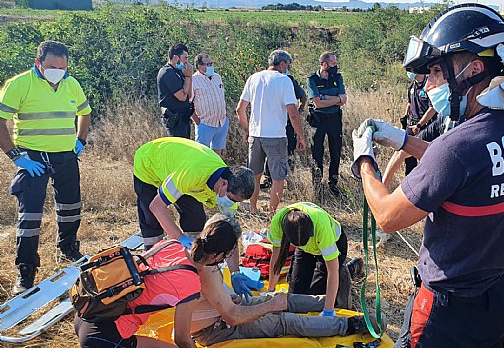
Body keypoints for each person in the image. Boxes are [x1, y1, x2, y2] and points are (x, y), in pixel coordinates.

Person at [351, 4, 504, 348]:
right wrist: (404, 140)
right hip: (499, 295)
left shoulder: (457, 147)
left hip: (448, 309)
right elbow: (469, 173)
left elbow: (386, 215)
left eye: (434, 71)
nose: (428, 84)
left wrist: (364, 160)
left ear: (473, 69)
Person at [74, 215, 385, 348]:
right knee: (282, 321)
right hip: (214, 327)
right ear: (217, 254)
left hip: (91, 314)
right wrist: (271, 303)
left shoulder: (174, 247)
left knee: (274, 302)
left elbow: (228, 303)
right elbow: (189, 337)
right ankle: (348, 325)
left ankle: (330, 308)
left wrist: (260, 299)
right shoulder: (190, 280)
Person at [0, 40, 92, 295]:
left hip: (65, 155)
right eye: (52, 67)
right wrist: (16, 156)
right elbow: (1, 120)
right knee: (29, 215)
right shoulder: (19, 85)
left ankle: (69, 249)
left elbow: (85, 112)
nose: (58, 72)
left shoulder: (71, 84)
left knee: (70, 207)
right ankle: (26, 269)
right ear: (38, 63)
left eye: (63, 68)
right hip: (33, 158)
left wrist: (80, 140)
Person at [133, 137, 253, 249]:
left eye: (236, 201)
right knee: (151, 220)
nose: (231, 203)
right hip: (149, 162)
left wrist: (234, 271)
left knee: (195, 219)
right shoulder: (192, 173)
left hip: (180, 171)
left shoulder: (229, 188)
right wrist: (180, 238)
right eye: (231, 198)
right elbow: (157, 206)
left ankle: (191, 254)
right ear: (223, 184)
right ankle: (153, 256)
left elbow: (230, 232)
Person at [236, 50, 307, 215]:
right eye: (287, 65)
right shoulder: (284, 81)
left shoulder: (253, 78)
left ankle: (253, 208)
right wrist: (300, 137)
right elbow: (293, 113)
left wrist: (247, 130)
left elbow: (240, 109)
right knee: (278, 177)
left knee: (255, 174)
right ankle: (272, 213)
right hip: (276, 136)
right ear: (282, 64)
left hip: (256, 135)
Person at [267, 202, 352, 313]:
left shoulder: (321, 227)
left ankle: (350, 269)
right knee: (296, 295)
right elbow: (276, 258)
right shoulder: (278, 222)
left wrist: (328, 310)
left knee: (314, 297)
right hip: (306, 251)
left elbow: (332, 271)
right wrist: (270, 290)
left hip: (334, 245)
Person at [307, 52, 347, 195]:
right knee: (316, 152)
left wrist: (325, 97)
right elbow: (317, 103)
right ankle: (317, 186)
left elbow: (344, 99)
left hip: (334, 118)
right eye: (333, 64)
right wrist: (336, 99)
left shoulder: (338, 77)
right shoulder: (312, 78)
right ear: (324, 64)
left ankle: (333, 184)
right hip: (318, 120)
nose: (335, 66)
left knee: (335, 151)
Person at [262, 73, 307, 188]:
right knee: (270, 151)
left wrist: (300, 110)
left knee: (289, 150)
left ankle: (290, 179)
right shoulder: (266, 79)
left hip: (288, 123)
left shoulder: (289, 80)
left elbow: (303, 96)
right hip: (272, 122)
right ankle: (268, 179)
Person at [190, 53, 228, 155]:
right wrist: (197, 121)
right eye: (207, 64)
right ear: (199, 66)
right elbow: (188, 103)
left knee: (217, 154)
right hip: (206, 123)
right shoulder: (193, 80)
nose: (210, 66)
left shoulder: (217, 77)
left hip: (222, 122)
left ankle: (217, 171)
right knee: (202, 154)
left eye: (211, 63)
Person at [157, 43, 194, 138]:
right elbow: (181, 96)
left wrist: (189, 76)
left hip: (184, 118)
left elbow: (189, 95)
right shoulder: (167, 73)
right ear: (175, 58)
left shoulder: (179, 72)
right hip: (174, 120)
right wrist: (187, 77)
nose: (187, 61)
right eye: (185, 58)